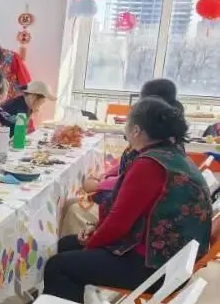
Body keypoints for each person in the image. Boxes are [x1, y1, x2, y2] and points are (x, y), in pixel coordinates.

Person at [44, 97, 211, 304]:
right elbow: (129, 214)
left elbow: (118, 223)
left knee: (58, 266)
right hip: (166, 258)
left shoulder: (149, 165)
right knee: (67, 244)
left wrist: (91, 243)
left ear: (136, 130)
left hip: (155, 268)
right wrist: (95, 231)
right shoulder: (171, 154)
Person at [62, 78, 186, 236]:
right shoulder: (161, 138)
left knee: (74, 210)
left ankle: (76, 247)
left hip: (142, 223)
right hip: (134, 206)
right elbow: (129, 166)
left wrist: (100, 185)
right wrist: (105, 176)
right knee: (69, 203)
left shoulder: (153, 152)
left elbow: (132, 187)